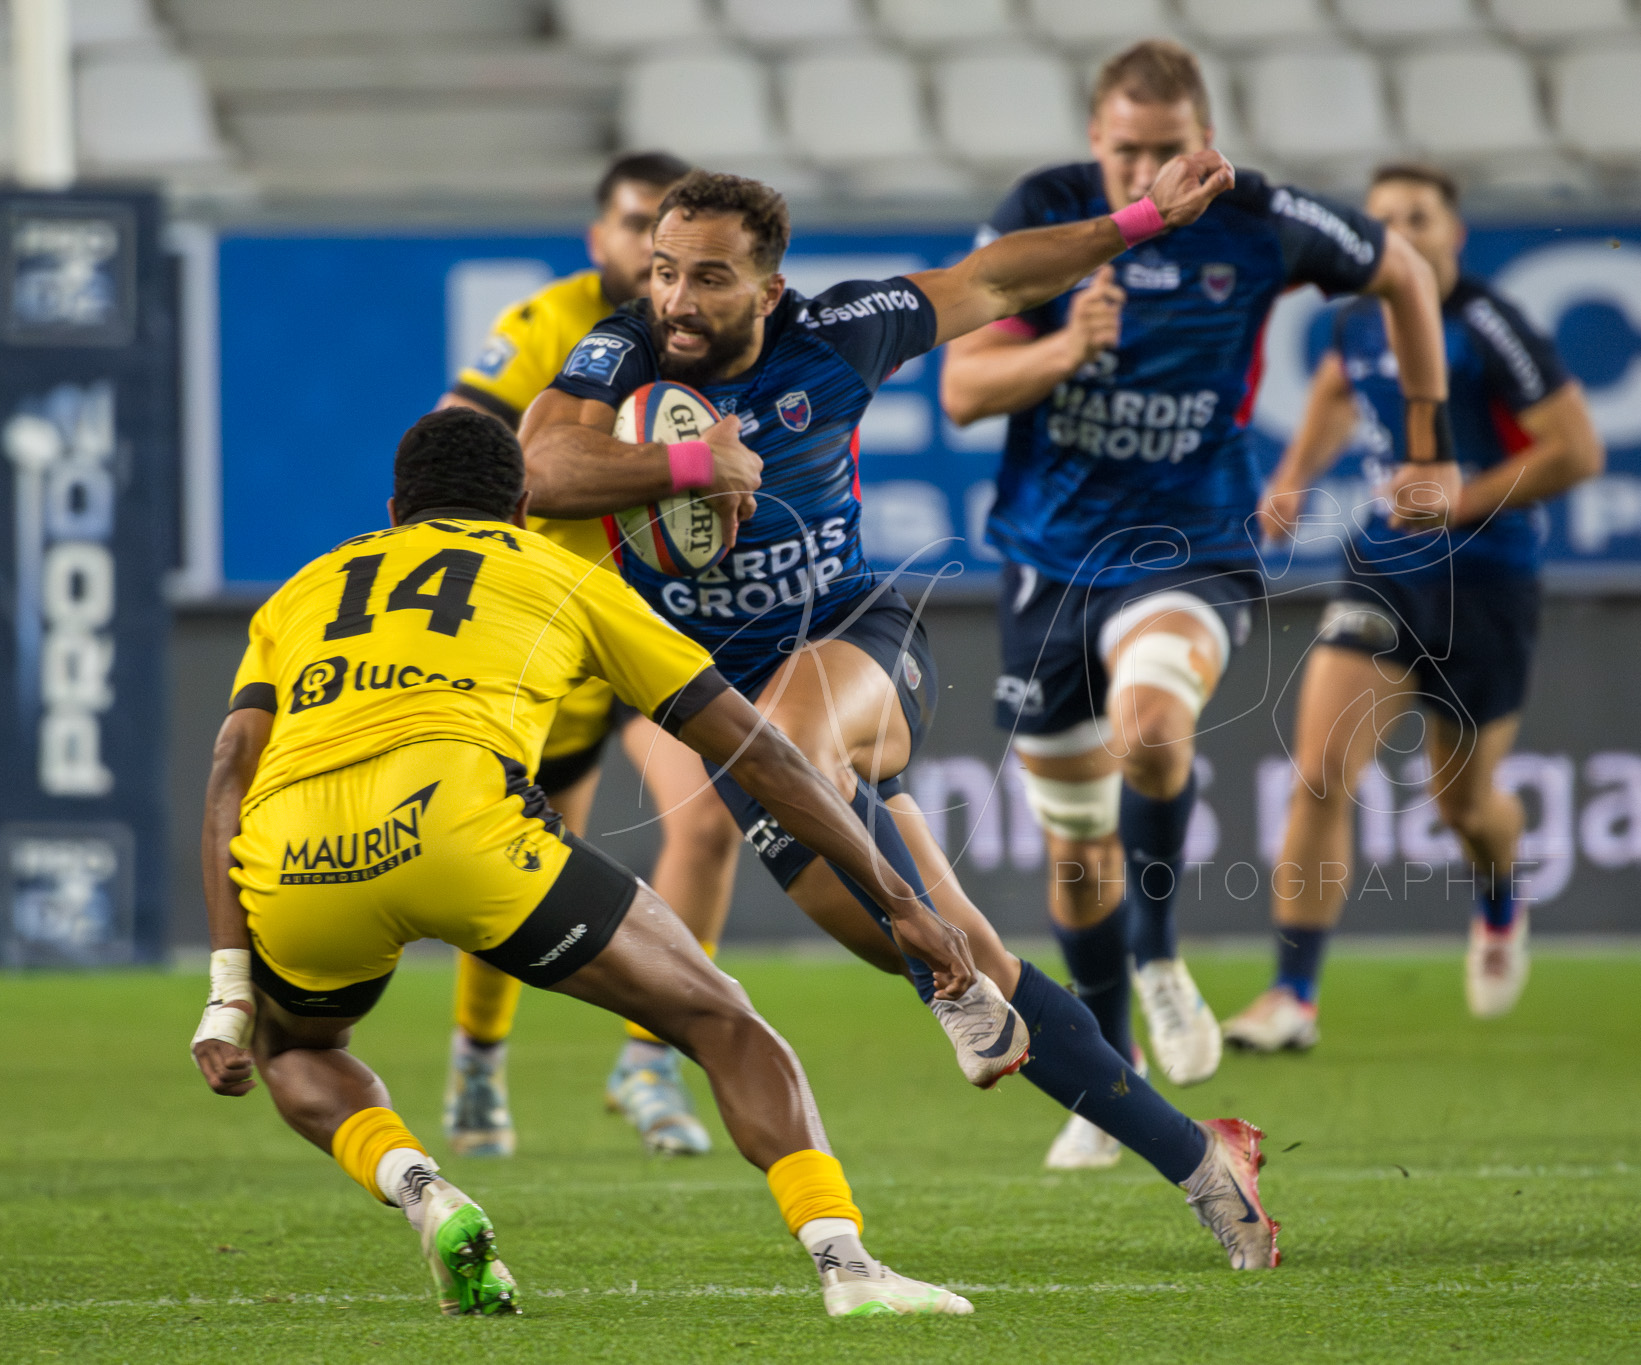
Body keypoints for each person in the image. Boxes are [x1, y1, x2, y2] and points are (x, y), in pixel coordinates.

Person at [519, 164, 1282, 1269]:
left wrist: (1139, 221)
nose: (678, 299)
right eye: (665, 271)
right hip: (733, 723)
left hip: (858, 651)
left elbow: (994, 279)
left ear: (770, 289)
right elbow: (536, 463)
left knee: (801, 745)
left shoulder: (838, 336)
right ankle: (1205, 1162)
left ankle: (943, 972)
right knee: (953, 952)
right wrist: (688, 461)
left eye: (712, 278)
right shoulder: (627, 350)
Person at [188, 408, 975, 1318]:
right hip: (460, 832)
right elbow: (758, 751)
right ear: (524, 503)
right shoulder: (560, 572)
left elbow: (226, 775)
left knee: (294, 1047)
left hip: (295, 854)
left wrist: (227, 990)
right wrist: (896, 897)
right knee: (723, 1022)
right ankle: (847, 1265)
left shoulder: (301, 589)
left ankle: (421, 1188)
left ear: (394, 507)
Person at [938, 40, 1452, 1169]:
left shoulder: (1262, 220)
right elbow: (963, 388)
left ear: (1204, 146)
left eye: (1168, 152)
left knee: (1154, 720)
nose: (1145, 173)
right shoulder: (1046, 217)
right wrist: (1067, 346)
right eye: (1124, 150)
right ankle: (1103, 1077)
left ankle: (1162, 951)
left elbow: (1405, 275)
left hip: (1191, 546)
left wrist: (1426, 440)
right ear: (1093, 142)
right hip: (1047, 561)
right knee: (1076, 854)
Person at [1227, 163, 1603, 1047]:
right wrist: (1287, 481)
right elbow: (1333, 391)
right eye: (1386, 219)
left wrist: (1460, 499)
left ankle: (1502, 896)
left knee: (1463, 807)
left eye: (1420, 217)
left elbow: (1576, 451)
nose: (1403, 231)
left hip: (1486, 583)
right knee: (1319, 770)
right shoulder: (1359, 319)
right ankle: (1293, 996)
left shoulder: (1490, 326)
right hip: (1384, 570)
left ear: (1454, 233)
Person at [439, 151, 740, 1158]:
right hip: (552, 632)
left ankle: (648, 1059)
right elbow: (455, 439)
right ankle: (479, 1060)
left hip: (659, 626)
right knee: (511, 868)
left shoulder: (714, 338)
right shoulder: (547, 328)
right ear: (599, 238)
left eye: (668, 235)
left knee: (705, 826)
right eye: (632, 226)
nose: (650, 250)